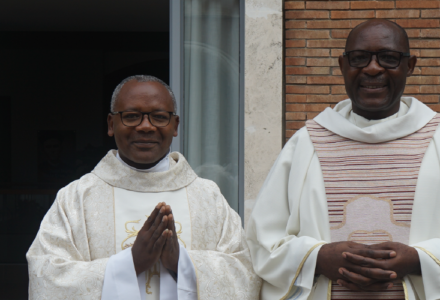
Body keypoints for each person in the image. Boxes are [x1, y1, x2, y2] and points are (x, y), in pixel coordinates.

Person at [246, 19, 440, 300]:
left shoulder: (436, 139)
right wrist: (317, 257)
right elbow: (262, 243)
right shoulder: (307, 142)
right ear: (342, 65)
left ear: (409, 66)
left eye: (388, 58)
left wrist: (418, 259)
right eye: (359, 58)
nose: (372, 68)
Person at [27, 75, 261, 300]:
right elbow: (45, 277)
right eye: (131, 116)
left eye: (159, 117)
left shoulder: (208, 197)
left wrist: (182, 261)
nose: (146, 126)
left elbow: (245, 274)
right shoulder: (76, 198)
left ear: (175, 125)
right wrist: (130, 263)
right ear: (111, 124)